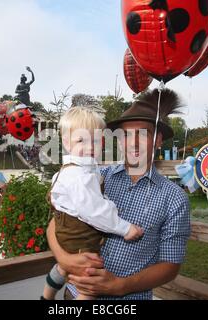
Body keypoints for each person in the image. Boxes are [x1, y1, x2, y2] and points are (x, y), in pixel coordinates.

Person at [47, 88, 191, 300]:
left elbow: (170, 266)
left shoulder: (174, 199)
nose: (132, 143)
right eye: (125, 135)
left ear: (158, 140)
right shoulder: (95, 177)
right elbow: (56, 222)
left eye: (142, 134)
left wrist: (120, 286)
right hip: (75, 293)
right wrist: (63, 258)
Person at [41, 107, 144, 301]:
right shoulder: (79, 176)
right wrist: (125, 228)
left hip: (67, 232)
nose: (89, 146)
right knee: (90, 284)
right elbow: (95, 211)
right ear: (66, 142)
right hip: (79, 238)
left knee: (62, 268)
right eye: (81, 140)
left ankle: (46, 296)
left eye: (95, 140)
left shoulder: (79, 170)